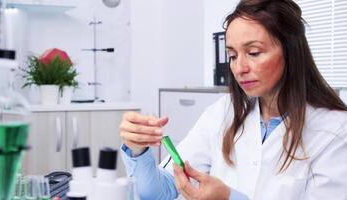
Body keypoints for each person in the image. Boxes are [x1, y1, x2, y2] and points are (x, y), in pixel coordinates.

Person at [119, 0, 347, 199]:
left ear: (291, 51)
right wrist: (137, 149)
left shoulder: (335, 129)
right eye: (232, 55)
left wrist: (229, 199)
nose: (239, 68)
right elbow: (160, 192)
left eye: (254, 53)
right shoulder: (222, 113)